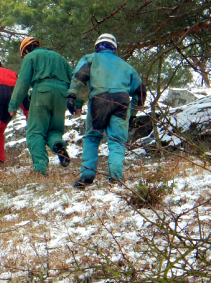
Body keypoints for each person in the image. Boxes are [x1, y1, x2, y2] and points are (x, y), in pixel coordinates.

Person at [67, 33, 143, 188]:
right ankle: (115, 177)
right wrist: (133, 113)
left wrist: (72, 95)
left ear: (98, 46)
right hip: (122, 100)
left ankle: (87, 174)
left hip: (99, 99)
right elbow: (140, 92)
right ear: (114, 47)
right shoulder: (127, 66)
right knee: (117, 142)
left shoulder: (91, 58)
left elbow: (79, 76)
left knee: (92, 138)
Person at [8, 37, 74, 175]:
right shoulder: (60, 58)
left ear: (26, 49)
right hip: (62, 95)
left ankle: (40, 168)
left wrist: (13, 105)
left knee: (35, 133)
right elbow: (74, 79)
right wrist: (76, 102)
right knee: (55, 130)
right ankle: (58, 145)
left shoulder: (30, 57)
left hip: (42, 92)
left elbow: (23, 82)